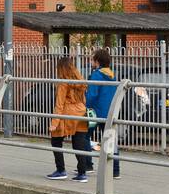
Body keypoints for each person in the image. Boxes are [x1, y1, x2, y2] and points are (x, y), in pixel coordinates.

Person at [47, 56, 92, 182]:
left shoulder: (63, 83)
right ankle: (82, 174)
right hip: (81, 112)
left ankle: (61, 170)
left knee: (56, 140)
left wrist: (54, 123)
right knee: (79, 144)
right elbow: (83, 99)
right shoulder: (81, 82)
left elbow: (59, 104)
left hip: (68, 114)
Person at [85, 47, 121, 178]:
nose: (90, 61)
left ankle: (86, 166)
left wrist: (85, 107)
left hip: (95, 112)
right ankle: (114, 170)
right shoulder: (112, 75)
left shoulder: (96, 75)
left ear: (97, 62)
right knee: (110, 140)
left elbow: (92, 94)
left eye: (92, 59)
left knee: (84, 136)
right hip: (110, 112)